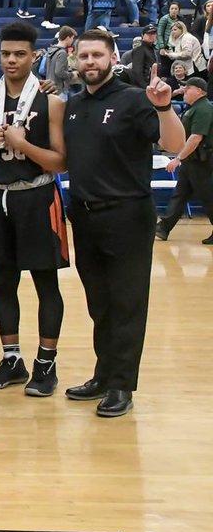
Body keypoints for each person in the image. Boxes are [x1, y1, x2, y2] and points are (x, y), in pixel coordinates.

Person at [64, 30, 184, 416]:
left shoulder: (135, 99)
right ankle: (104, 373)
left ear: (113, 58)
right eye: (84, 56)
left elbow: (173, 145)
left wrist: (164, 108)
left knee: (127, 303)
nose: (90, 62)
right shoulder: (74, 105)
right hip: (84, 216)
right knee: (100, 304)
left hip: (128, 215)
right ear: (75, 60)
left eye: (97, 55)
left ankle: (121, 386)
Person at [0, 21, 69, 392]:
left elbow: (60, 163)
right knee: (4, 282)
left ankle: (47, 365)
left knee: (46, 282)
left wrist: (22, 144)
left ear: (34, 56)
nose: (11, 60)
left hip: (39, 195)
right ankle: (12, 359)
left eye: (19, 54)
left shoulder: (52, 102)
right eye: (5, 54)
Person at [155, 77, 213, 244]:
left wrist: (178, 158)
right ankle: (163, 227)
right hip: (192, 161)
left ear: (200, 91)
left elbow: (196, 138)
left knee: (208, 197)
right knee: (179, 195)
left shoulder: (204, 109)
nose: (185, 91)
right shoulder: (192, 108)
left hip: (202, 161)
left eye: (189, 88)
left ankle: (164, 227)